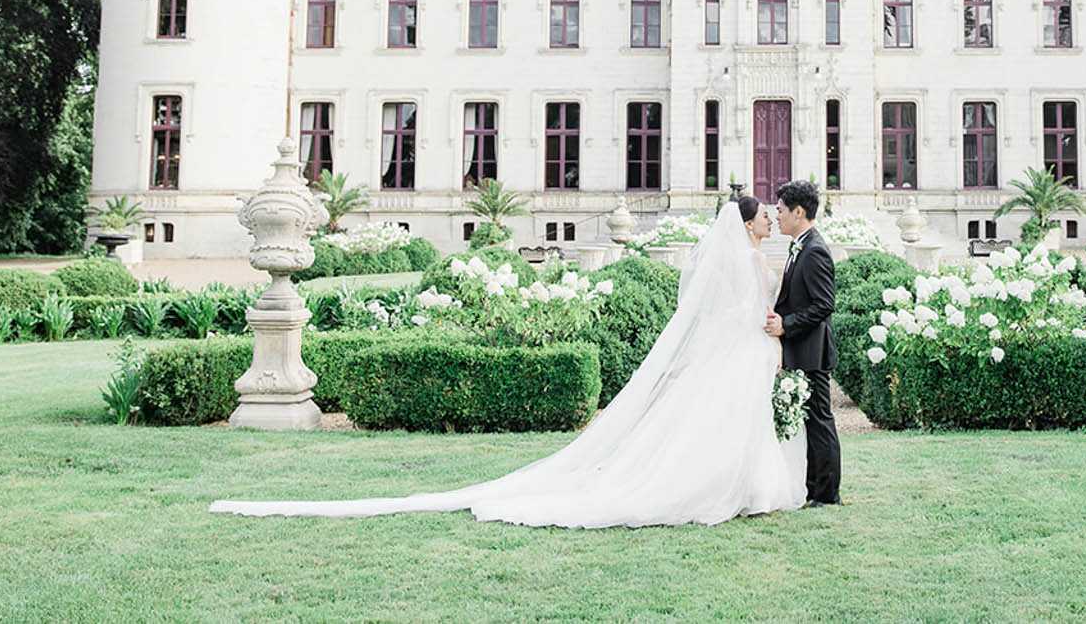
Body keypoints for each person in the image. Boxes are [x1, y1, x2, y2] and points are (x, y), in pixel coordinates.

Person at [209, 197, 804, 527]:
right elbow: (752, 309)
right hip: (746, 349)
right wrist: (772, 331)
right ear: (748, 223)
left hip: (738, 351)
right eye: (763, 215)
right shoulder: (751, 262)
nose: (769, 220)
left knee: (718, 420)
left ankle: (734, 485)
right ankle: (734, 488)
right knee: (725, 421)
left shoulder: (737, 259)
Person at [765, 180, 840, 505]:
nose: (776, 215)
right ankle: (815, 490)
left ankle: (826, 494)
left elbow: (824, 304)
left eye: (781, 210)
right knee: (813, 420)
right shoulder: (801, 246)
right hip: (803, 349)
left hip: (812, 350)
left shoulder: (815, 250)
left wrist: (786, 325)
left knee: (820, 422)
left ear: (799, 212)